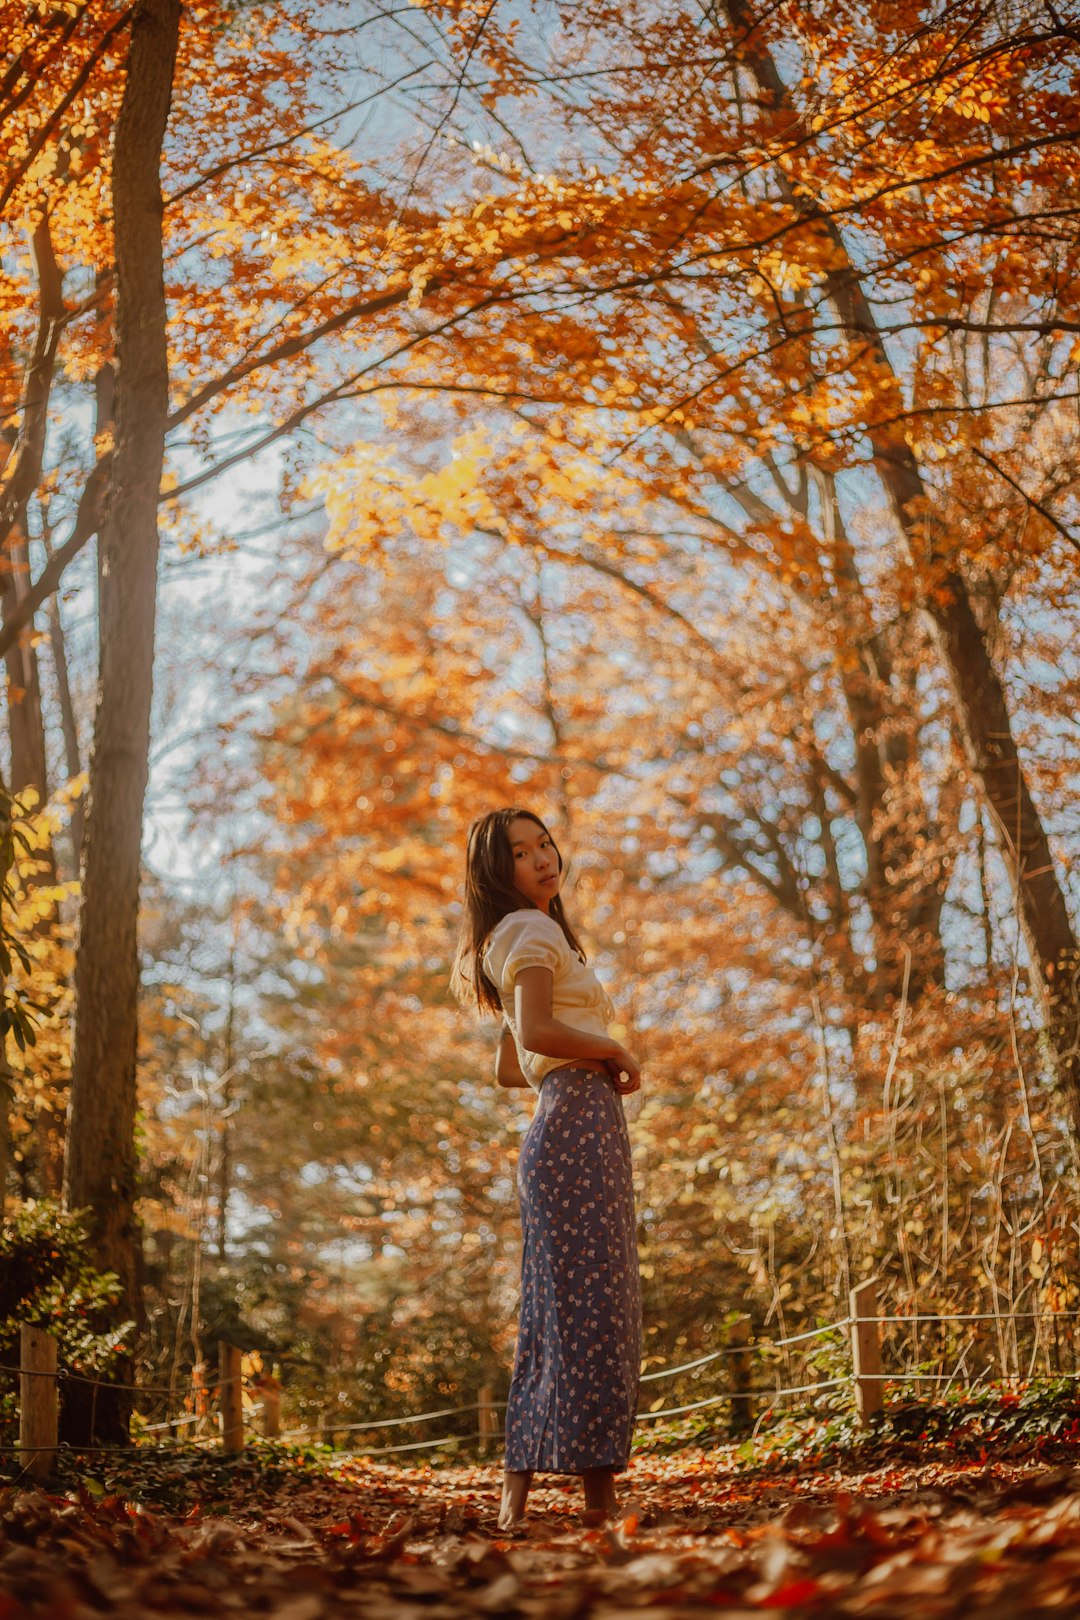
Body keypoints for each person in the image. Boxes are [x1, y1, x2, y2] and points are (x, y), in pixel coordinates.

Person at [451, 806, 643, 1531]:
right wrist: (613, 1051)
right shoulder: (531, 931)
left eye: (545, 844)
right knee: (595, 1306)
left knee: (552, 1310)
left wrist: (574, 1060)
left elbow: (511, 1065)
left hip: (559, 1122)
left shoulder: (517, 935)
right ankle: (599, 1505)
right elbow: (533, 1035)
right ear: (498, 873)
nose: (541, 859)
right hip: (578, 1124)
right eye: (521, 853)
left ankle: (514, 1501)